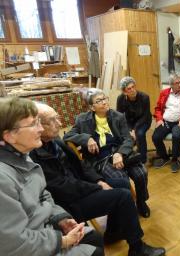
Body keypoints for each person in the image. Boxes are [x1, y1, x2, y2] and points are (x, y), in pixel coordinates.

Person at [30, 102, 166, 256]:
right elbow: (62, 188)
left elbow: (81, 165)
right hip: (69, 202)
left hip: (80, 186)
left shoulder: (55, 142)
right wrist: (97, 187)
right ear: (38, 125)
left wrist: (98, 181)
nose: (59, 124)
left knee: (122, 183)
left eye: (57, 118)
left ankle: (113, 232)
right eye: (53, 121)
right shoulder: (34, 154)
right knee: (123, 196)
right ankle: (137, 248)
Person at [0, 97, 104, 256]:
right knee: (94, 250)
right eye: (34, 124)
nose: (41, 129)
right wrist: (61, 241)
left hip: (43, 229)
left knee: (93, 237)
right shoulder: (3, 178)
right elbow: (14, 243)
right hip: (30, 245)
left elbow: (43, 193)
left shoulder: (23, 156)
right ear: (10, 136)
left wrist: (60, 218)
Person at [63, 89, 151, 218]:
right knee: (121, 179)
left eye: (105, 99)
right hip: (101, 158)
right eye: (99, 101)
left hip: (120, 152)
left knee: (141, 173)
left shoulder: (118, 116)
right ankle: (127, 207)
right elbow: (68, 136)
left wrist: (120, 153)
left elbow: (127, 138)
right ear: (92, 107)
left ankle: (141, 201)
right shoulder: (82, 120)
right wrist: (86, 138)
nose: (104, 102)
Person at [152, 73, 180, 172]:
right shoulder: (164, 93)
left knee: (176, 136)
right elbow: (158, 108)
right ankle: (164, 157)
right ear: (171, 84)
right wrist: (159, 119)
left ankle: (175, 159)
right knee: (155, 137)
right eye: (177, 83)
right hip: (166, 121)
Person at [117, 76, 152, 164]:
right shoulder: (120, 99)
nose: (132, 90)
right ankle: (128, 154)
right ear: (124, 92)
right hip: (129, 121)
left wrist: (134, 130)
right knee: (126, 135)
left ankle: (142, 158)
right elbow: (120, 116)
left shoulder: (144, 97)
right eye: (129, 89)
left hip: (143, 120)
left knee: (139, 134)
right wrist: (129, 129)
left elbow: (145, 115)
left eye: (133, 87)